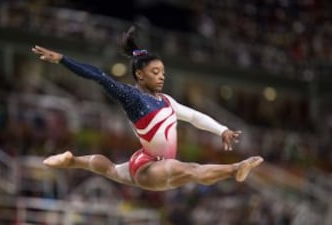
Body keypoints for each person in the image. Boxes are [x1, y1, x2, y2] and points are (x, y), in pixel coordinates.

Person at [31, 26, 263, 191]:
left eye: (163, 73)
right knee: (191, 170)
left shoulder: (166, 101)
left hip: (148, 160)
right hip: (149, 167)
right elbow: (99, 76)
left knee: (111, 170)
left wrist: (221, 130)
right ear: (139, 74)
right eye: (155, 72)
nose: (161, 77)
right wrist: (62, 59)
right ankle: (236, 168)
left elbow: (193, 116)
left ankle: (72, 161)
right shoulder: (132, 97)